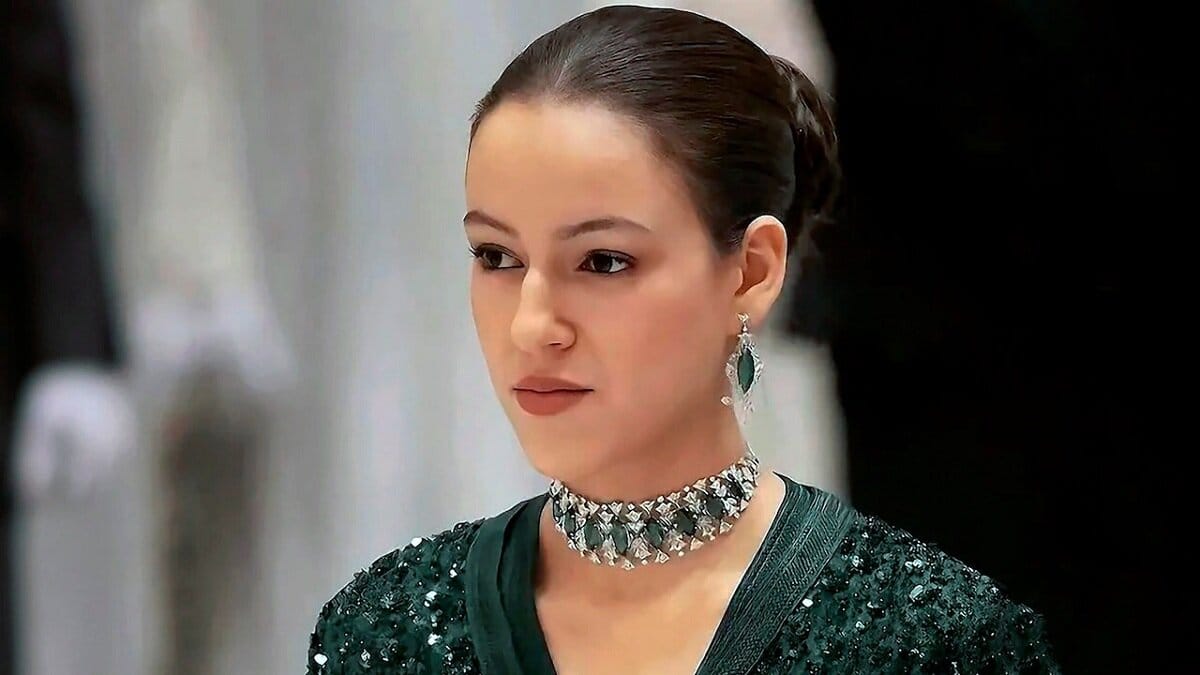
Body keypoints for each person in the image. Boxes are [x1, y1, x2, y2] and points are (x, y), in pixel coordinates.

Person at [307, 6, 1058, 673]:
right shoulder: (387, 629)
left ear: (751, 272)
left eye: (603, 261)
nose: (532, 325)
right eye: (497, 257)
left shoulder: (928, 640)